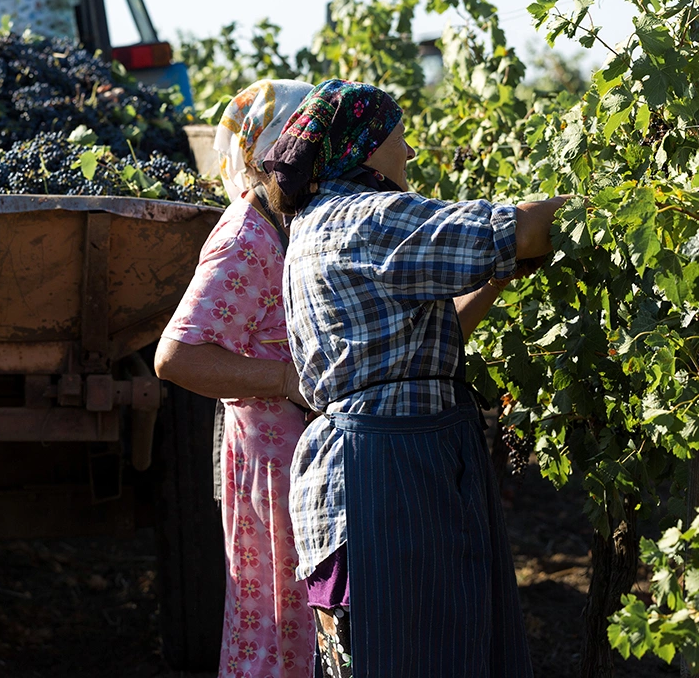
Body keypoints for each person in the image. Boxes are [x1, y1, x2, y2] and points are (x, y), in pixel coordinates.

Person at [259, 78, 564, 678]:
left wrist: (496, 278)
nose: (411, 155)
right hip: (388, 472)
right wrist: (616, 206)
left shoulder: (317, 224)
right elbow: (519, 231)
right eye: (401, 139)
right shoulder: (367, 218)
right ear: (368, 147)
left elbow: (422, 340)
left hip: (379, 465)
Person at [156, 79, 318, 678]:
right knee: (277, 619)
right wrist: (285, 379)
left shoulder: (287, 225)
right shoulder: (245, 239)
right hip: (269, 466)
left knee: (300, 619)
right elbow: (176, 356)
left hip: (291, 458)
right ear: (274, 149)